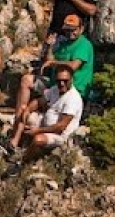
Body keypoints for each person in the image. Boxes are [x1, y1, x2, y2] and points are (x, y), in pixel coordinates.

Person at [6, 11, 93, 140]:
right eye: (67, 30)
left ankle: (24, 127)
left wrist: (53, 63)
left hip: (72, 87)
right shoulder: (64, 44)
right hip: (54, 84)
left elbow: (73, 66)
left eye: (73, 30)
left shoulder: (84, 44)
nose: (70, 33)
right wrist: (49, 46)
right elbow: (48, 60)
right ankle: (19, 116)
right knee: (26, 80)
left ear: (81, 29)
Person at [3, 62, 84, 167]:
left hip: (60, 135)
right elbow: (39, 101)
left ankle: (23, 160)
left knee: (38, 139)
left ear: (71, 80)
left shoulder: (73, 98)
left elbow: (61, 127)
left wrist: (37, 131)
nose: (61, 84)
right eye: (59, 81)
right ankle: (14, 143)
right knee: (23, 110)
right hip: (45, 123)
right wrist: (28, 109)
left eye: (65, 81)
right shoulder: (55, 89)